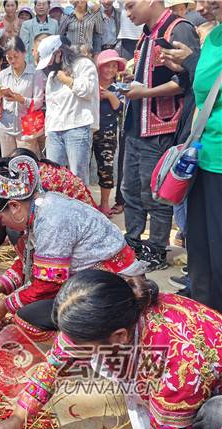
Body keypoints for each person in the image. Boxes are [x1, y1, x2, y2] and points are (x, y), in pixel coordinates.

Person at [0, 270, 222, 429]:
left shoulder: (176, 364)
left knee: (211, 420)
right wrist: (19, 417)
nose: (70, 347)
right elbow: (55, 364)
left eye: (82, 345)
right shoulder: (115, 311)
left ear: (120, 336)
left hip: (210, 388)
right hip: (175, 368)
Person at [0, 154, 143, 334]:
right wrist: (0, 286)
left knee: (26, 316)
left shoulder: (51, 220)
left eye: (0, 218)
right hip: (97, 279)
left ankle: (86, 340)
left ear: (14, 206)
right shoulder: (40, 207)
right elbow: (31, 260)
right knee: (30, 299)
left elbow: (47, 285)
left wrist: (6, 304)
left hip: (117, 290)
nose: (1, 224)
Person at [121, 0, 200, 271]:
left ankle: (156, 249)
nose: (128, 13)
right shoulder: (146, 35)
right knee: (129, 189)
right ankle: (132, 244)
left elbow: (189, 81)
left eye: (131, 6)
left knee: (153, 193)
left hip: (161, 126)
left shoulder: (178, 30)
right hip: (136, 123)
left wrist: (144, 93)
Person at [161, 6, 222, 311]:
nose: (200, 7)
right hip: (202, 159)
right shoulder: (213, 38)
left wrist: (193, 60)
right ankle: (206, 332)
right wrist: (187, 64)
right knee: (202, 259)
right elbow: (205, 96)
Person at [0, 148, 98, 267]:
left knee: (15, 225)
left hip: (86, 243)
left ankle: (30, 262)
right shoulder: (35, 177)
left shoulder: (33, 191)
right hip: (82, 222)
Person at [37, 35, 100, 185]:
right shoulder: (53, 74)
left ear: (59, 53)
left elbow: (89, 91)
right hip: (54, 130)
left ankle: (80, 208)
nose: (49, 65)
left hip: (77, 127)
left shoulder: (84, 64)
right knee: (53, 177)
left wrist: (69, 81)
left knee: (77, 177)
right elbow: (51, 105)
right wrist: (48, 132)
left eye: (50, 59)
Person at [0, 37, 45, 156]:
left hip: (27, 128)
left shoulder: (35, 73)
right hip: (6, 127)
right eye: (9, 58)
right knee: (8, 166)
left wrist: (21, 99)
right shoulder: (2, 75)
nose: (13, 60)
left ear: (24, 53)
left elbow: (39, 102)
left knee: (27, 164)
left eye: (16, 56)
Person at [92, 49, 125, 216]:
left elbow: (121, 110)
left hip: (108, 134)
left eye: (114, 66)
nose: (110, 70)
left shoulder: (118, 88)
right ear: (99, 67)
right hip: (88, 131)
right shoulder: (91, 84)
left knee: (106, 169)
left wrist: (111, 96)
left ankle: (105, 204)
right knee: (82, 166)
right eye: (107, 66)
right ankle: (86, 201)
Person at [19, 0, 59, 67]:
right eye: (39, 4)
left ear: (49, 7)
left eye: (44, 4)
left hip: (50, 62)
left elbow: (56, 44)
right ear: (34, 8)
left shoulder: (55, 23)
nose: (41, 7)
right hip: (33, 63)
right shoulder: (26, 24)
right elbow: (23, 46)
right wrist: (26, 65)